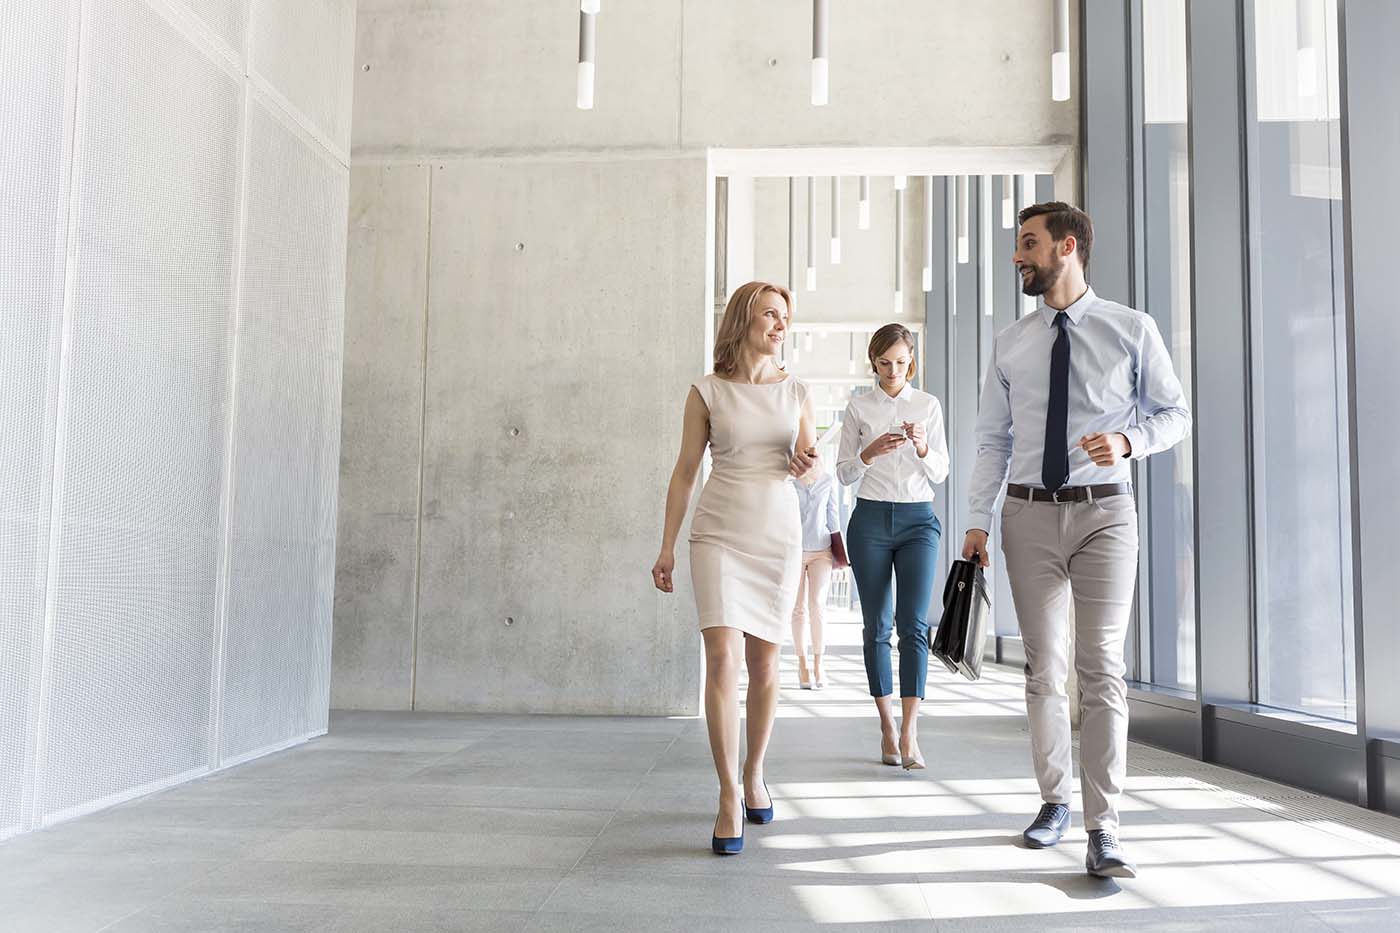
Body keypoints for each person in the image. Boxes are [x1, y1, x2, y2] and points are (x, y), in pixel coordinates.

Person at [962, 202, 1190, 879]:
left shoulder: (1131, 329)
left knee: (1101, 665)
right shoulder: (1011, 342)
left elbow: (1175, 412)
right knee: (1043, 667)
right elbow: (993, 441)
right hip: (1027, 516)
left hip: (1105, 514)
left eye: (1027, 244)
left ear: (1067, 247)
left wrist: (1127, 440)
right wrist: (976, 520)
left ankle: (1105, 824)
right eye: (1016, 245)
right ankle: (1054, 799)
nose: (1017, 257)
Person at [651, 280, 817, 856]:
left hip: (777, 536)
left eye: (786, 317)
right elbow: (684, 472)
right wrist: (667, 545)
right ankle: (726, 794)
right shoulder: (707, 391)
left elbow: (811, 469)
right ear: (744, 319)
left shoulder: (796, 390)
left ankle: (754, 774)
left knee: (764, 663)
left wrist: (804, 464)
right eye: (770, 314)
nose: (780, 325)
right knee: (721, 658)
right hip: (717, 533)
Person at [835, 324, 949, 771]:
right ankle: (885, 724)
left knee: (914, 626)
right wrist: (870, 452)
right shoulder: (859, 407)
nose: (893, 371)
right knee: (876, 627)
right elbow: (843, 473)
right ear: (873, 362)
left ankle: (910, 731)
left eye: (901, 362)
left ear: (911, 361)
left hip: (919, 520)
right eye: (885, 363)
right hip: (869, 520)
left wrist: (922, 448)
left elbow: (940, 472)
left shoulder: (928, 405)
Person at [791, 462, 845, 689]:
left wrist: (840, 554)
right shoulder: (789, 480)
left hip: (821, 551)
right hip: (793, 550)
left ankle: (818, 663)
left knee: (817, 605)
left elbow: (833, 517)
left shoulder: (827, 480)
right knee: (798, 609)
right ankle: (802, 663)